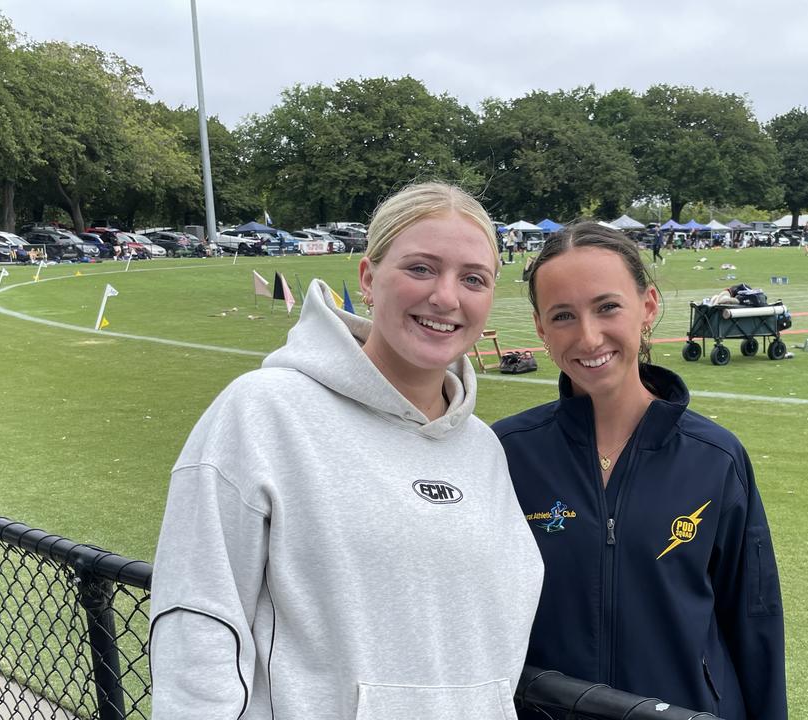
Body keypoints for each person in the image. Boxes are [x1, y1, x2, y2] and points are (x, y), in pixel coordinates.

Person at [150, 182, 543, 719]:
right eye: (421, 268)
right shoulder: (263, 411)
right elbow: (198, 621)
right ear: (368, 277)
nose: (446, 297)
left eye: (472, 279)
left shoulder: (482, 450)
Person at [494, 223, 786, 719]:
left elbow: (754, 621)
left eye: (607, 307)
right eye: (563, 315)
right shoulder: (505, 454)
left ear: (648, 307)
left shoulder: (715, 457)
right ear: (541, 329)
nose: (588, 337)